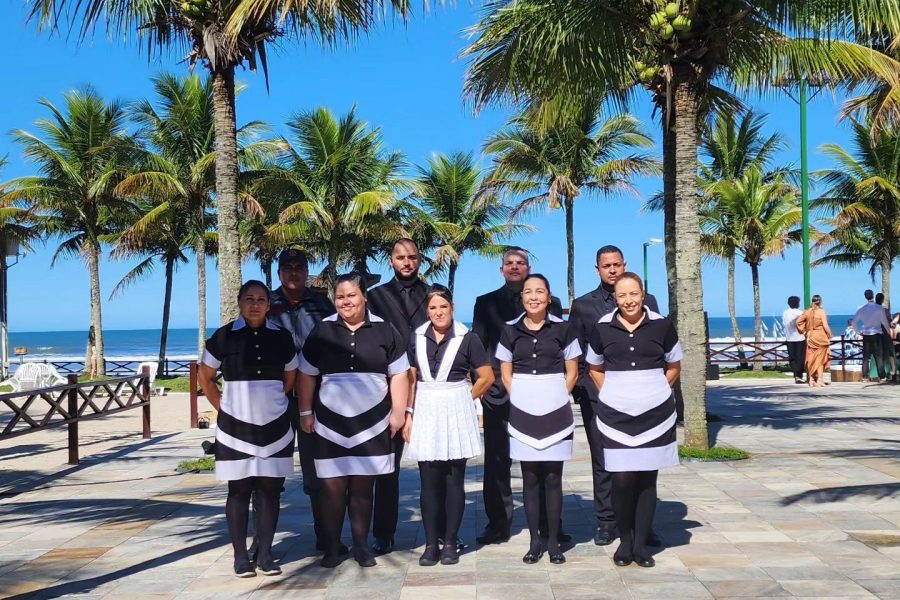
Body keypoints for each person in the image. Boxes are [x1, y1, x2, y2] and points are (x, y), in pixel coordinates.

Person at [298, 273, 410, 568]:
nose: (346, 301)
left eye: (351, 295)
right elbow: (307, 374)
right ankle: (333, 548)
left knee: (363, 487)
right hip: (329, 423)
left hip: (374, 422)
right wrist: (305, 412)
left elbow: (399, 373)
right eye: (340, 297)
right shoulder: (321, 331)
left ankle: (361, 546)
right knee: (332, 488)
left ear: (364, 298)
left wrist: (398, 411)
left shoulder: (386, 330)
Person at [198, 280, 298, 578]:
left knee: (270, 490)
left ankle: (265, 554)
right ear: (240, 302)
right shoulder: (224, 336)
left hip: (275, 426)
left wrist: (273, 401)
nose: (255, 304)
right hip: (234, 429)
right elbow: (205, 377)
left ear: (269, 305)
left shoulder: (282, 337)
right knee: (239, 490)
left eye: (261, 299)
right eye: (249, 299)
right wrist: (223, 407)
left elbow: (290, 378)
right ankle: (241, 557)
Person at [585, 273, 682, 569]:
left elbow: (674, 364)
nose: (628, 301)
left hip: (656, 414)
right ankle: (624, 542)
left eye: (633, 294)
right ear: (615, 298)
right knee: (622, 478)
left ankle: (640, 546)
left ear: (642, 294)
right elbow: (594, 367)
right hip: (615, 414)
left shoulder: (662, 325)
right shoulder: (602, 328)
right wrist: (613, 394)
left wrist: (659, 391)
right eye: (622, 295)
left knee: (646, 479)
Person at [568, 245, 661, 547]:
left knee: (641, 460)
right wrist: (589, 390)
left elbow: (658, 346)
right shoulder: (583, 305)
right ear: (597, 269)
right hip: (598, 396)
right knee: (604, 459)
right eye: (606, 266)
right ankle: (607, 522)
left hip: (640, 396)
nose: (612, 270)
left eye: (617, 264)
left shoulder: (648, 301)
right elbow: (575, 351)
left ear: (624, 265)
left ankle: (641, 524)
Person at [472, 248, 564, 546]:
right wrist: (485, 387)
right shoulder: (485, 303)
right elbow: (479, 348)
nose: (514, 267)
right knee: (497, 463)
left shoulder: (553, 303)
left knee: (544, 462)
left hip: (541, 396)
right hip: (499, 394)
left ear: (528, 267)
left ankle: (550, 526)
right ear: (501, 270)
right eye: (509, 263)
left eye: (520, 263)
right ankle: (498, 524)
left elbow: (558, 349)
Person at [402, 284, 494, 566]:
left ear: (452, 308)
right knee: (428, 481)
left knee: (455, 479)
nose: (438, 312)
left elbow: (486, 377)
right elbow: (411, 378)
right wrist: (408, 414)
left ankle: (451, 542)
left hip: (455, 407)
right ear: (427, 311)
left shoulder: (468, 338)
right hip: (426, 409)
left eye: (443, 307)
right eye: (433, 308)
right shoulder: (416, 337)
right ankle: (431, 544)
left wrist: (465, 398)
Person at [496, 274, 579, 565]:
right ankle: (534, 542)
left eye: (539, 292)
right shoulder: (509, 331)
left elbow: (573, 371)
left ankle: (554, 542)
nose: (533, 297)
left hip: (556, 408)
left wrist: (557, 396)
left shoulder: (563, 329)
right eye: (528, 292)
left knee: (554, 478)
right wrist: (519, 396)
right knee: (530, 478)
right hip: (522, 408)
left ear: (548, 296)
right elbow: (505, 370)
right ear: (522, 297)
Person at [263, 248, 340, 556]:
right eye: (288, 267)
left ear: (307, 271)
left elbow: (333, 343)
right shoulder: (266, 303)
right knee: (269, 472)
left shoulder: (322, 303)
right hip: (275, 398)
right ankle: (264, 543)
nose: (294, 273)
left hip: (313, 397)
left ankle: (327, 537)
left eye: (299, 267)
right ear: (280, 272)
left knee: (316, 470)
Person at [366, 238, 430, 554]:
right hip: (391, 386)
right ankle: (383, 533)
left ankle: (440, 533)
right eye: (400, 257)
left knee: (435, 466)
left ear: (419, 260)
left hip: (430, 385)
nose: (406, 262)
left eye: (412, 257)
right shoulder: (375, 296)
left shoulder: (433, 294)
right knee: (387, 468)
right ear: (391, 261)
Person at [852, 289, 890, 382]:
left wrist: (858, 332)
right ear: (873, 296)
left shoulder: (861, 309)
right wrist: (888, 332)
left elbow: (854, 323)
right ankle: (882, 376)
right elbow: (884, 322)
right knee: (879, 356)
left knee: (866, 357)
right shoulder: (879, 308)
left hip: (866, 334)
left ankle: (865, 376)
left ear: (865, 297)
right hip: (877, 334)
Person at [798, 295, 832, 388]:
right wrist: (830, 334)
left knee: (812, 359)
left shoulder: (807, 311)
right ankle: (820, 380)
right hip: (820, 336)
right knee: (820, 360)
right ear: (820, 302)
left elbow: (798, 322)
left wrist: (804, 331)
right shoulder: (821, 312)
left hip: (811, 337)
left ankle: (811, 379)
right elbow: (825, 325)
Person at [782, 296, 806, 384]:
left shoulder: (785, 313)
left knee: (792, 358)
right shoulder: (800, 313)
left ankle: (796, 375)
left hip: (789, 338)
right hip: (800, 338)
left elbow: (784, 325)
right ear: (798, 303)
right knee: (800, 358)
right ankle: (799, 375)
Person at [875, 293, 897, 381]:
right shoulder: (882, 310)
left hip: (875, 332)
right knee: (889, 351)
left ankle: (881, 374)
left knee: (879, 354)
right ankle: (893, 371)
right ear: (882, 300)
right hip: (883, 332)